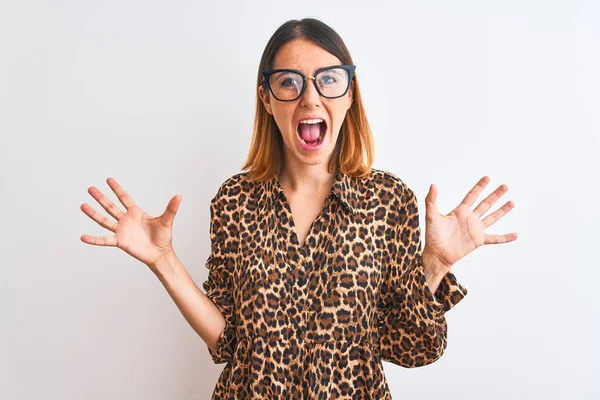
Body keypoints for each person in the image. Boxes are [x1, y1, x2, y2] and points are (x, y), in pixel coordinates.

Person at [80, 18, 518, 399]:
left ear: (350, 94)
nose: (310, 98)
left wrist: (435, 263)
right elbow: (229, 341)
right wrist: (163, 260)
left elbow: (409, 345)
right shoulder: (235, 201)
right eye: (289, 81)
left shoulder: (388, 202)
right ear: (267, 99)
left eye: (328, 78)